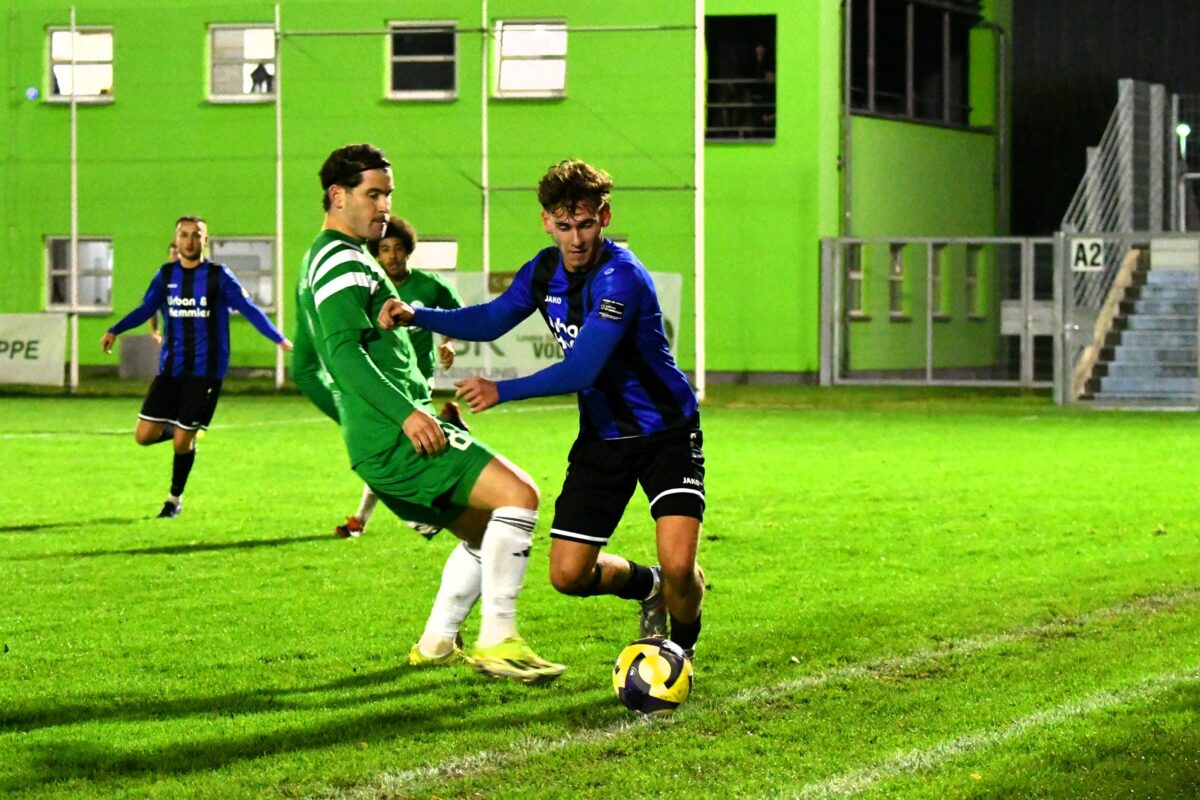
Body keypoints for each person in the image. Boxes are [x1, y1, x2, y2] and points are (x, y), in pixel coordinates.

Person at [380, 159, 707, 660]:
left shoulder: (622, 278)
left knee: (682, 561)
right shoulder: (543, 270)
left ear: (605, 217)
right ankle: (651, 586)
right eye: (564, 225)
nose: (576, 238)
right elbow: (491, 319)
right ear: (546, 221)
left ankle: (678, 657)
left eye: (586, 224)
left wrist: (501, 390)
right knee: (568, 575)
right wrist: (415, 314)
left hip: (667, 432)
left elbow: (583, 370)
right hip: (603, 438)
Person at [292, 143, 564, 682]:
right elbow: (342, 355)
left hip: (381, 442)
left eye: (388, 194)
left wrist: (370, 417)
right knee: (520, 496)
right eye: (373, 194)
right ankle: (498, 641)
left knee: (488, 529)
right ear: (336, 195)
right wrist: (404, 416)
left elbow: (314, 361)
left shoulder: (324, 262)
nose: (384, 206)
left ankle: (438, 642)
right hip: (400, 437)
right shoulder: (341, 260)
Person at [102, 216, 292, 518]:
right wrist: (115, 329)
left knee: (180, 444)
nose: (189, 241)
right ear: (176, 240)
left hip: (205, 372)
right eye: (184, 235)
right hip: (170, 370)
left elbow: (249, 309)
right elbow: (146, 309)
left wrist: (277, 337)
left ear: (206, 240)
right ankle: (185, 433)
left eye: (196, 235)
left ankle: (173, 500)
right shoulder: (165, 275)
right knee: (143, 436)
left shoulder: (218, 276)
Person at [333, 215, 468, 539]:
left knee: (390, 451)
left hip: (418, 383)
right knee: (393, 449)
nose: (392, 255)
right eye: (385, 249)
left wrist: (449, 343)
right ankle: (451, 437)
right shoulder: (371, 289)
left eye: (397, 248)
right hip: (383, 383)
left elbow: (459, 317)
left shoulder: (429, 286)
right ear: (376, 253)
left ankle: (405, 515)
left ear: (408, 250)